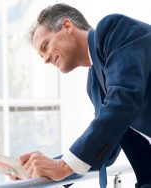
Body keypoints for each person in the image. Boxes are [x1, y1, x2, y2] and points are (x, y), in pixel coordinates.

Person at [8, 3, 151, 188]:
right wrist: (41, 169)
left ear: (67, 27)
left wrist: (62, 166)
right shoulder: (94, 84)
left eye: (46, 46)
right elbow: (107, 148)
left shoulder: (113, 29)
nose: (45, 59)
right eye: (40, 56)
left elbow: (123, 102)